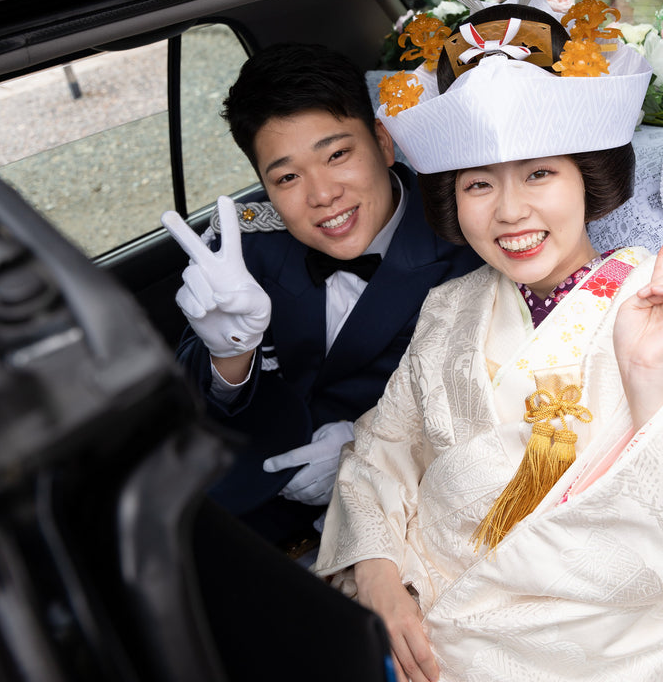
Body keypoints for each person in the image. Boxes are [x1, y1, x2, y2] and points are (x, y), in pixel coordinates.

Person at [313, 0, 663, 681]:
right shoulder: (449, 310)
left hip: (607, 654)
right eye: (478, 184)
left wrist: (650, 382)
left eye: (539, 173)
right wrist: (379, 579)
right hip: (430, 629)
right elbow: (380, 452)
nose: (510, 211)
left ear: (586, 179)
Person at [161, 44, 480, 550]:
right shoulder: (245, 248)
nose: (321, 194)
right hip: (235, 501)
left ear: (383, 141)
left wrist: (366, 448)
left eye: (337, 155)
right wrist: (230, 357)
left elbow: (490, 407)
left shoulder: (465, 239)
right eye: (287, 177)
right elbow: (184, 405)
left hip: (408, 516)